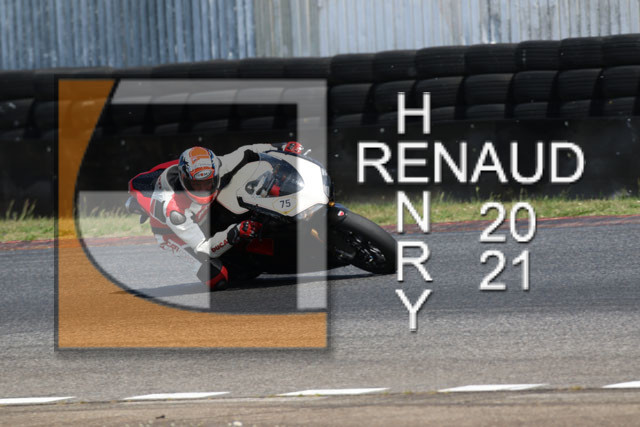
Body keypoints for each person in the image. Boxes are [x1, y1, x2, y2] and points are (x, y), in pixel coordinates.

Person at [126, 141, 304, 290]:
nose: (203, 189)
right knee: (216, 279)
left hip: (204, 209)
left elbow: (248, 151)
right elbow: (203, 247)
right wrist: (233, 233)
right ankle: (241, 261)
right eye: (197, 185)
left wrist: (281, 147)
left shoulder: (220, 165)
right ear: (184, 180)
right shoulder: (175, 211)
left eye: (208, 183)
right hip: (173, 233)